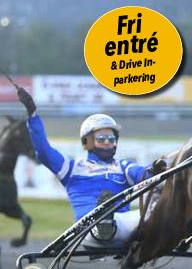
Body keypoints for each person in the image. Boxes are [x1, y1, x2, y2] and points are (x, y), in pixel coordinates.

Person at [17, 87, 166, 248]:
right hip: (86, 228)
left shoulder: (123, 166)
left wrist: (154, 170)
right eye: (101, 138)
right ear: (87, 141)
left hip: (122, 225)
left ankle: (176, 227)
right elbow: (43, 151)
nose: (108, 142)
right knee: (102, 217)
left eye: (111, 139)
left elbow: (142, 174)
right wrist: (32, 114)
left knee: (159, 198)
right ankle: (103, 222)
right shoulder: (72, 168)